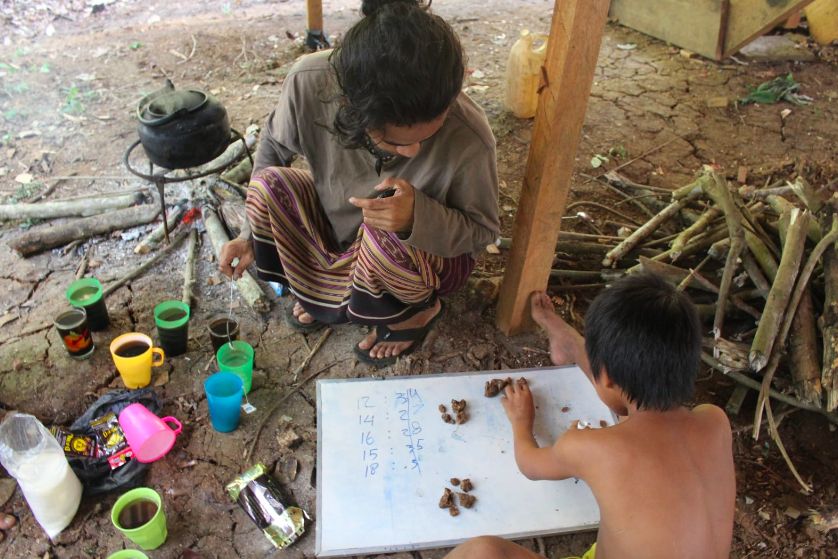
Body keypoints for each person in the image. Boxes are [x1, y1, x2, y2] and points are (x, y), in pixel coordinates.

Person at [219, 0, 499, 367]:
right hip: (342, 239)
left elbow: (482, 232)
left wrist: (416, 218)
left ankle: (416, 311)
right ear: (354, 111)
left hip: (421, 258)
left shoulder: (470, 137)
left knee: (385, 236)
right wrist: (247, 234)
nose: (414, 152)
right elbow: (273, 149)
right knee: (269, 186)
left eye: (430, 133)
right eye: (398, 142)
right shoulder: (310, 82)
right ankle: (332, 291)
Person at [445, 273, 736, 559]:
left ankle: (570, 345)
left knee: (483, 552)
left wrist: (522, 422)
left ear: (606, 376)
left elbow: (529, 464)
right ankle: (567, 343)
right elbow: (635, 418)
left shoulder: (592, 448)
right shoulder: (715, 422)